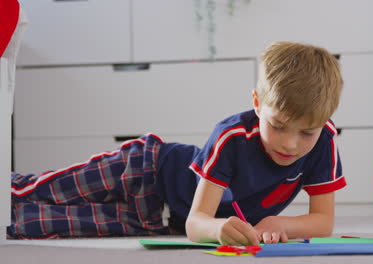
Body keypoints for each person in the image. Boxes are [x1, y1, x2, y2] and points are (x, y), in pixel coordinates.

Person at [8, 41, 346, 245]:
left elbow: (323, 222)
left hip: (155, 221)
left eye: (307, 132)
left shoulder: (324, 141)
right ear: (257, 104)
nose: (290, 144)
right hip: (143, 169)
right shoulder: (231, 137)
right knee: (31, 191)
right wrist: (217, 228)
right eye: (279, 126)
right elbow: (198, 222)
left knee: (28, 225)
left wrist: (280, 223)